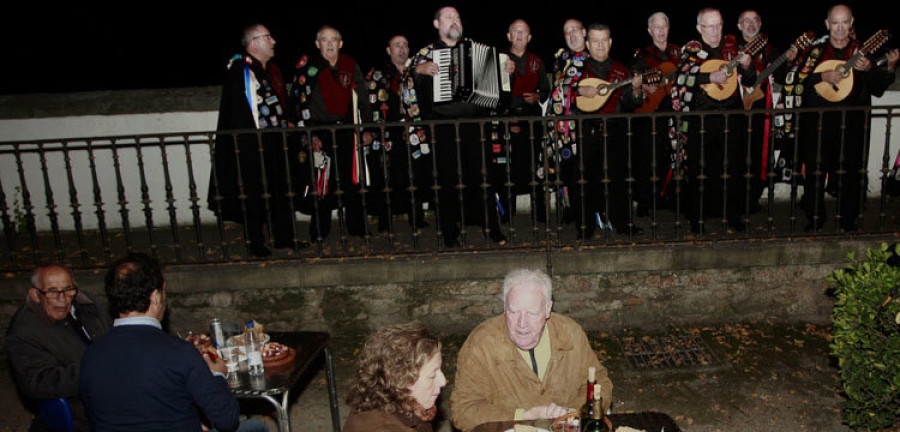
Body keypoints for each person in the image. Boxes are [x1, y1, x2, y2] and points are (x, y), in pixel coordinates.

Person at [78, 253, 267, 432]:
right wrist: (218, 376)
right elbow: (227, 420)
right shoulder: (178, 352)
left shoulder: (91, 355)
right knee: (258, 427)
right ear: (155, 296)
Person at [450, 269, 612, 431]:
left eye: (532, 313)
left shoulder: (570, 334)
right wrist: (523, 416)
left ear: (548, 309)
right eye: (513, 311)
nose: (522, 324)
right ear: (504, 307)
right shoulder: (481, 344)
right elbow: (463, 410)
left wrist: (572, 414)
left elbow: (600, 383)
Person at [792, 4, 898, 231]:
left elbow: (878, 89)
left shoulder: (862, 52)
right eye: (835, 23)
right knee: (815, 171)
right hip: (819, 124)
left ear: (851, 24)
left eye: (844, 22)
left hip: (852, 125)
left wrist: (873, 68)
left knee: (851, 173)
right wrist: (822, 75)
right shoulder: (816, 52)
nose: (840, 28)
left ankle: (848, 220)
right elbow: (798, 84)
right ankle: (815, 217)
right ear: (827, 24)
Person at [409, 6, 509, 247]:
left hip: (476, 126)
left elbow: (499, 92)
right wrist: (417, 71)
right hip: (442, 128)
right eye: (448, 17)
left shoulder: (477, 49)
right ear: (436, 24)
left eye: (457, 17)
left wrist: (506, 72)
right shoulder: (424, 54)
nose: (454, 21)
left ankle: (491, 227)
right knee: (446, 179)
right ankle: (449, 231)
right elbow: (405, 85)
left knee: (483, 177)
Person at [208, 23, 298, 257]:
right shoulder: (241, 70)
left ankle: (284, 238)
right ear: (255, 42)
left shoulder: (267, 70)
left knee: (280, 190)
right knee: (254, 193)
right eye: (268, 37)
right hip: (252, 146)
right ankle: (256, 242)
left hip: (274, 143)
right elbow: (239, 113)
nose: (273, 41)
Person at [672, 8, 756, 233]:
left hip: (732, 117)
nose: (716, 30)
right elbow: (680, 78)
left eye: (719, 25)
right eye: (710, 26)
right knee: (700, 170)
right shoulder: (692, 52)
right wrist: (709, 77)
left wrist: (747, 66)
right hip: (703, 119)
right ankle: (697, 219)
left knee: (734, 168)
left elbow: (750, 79)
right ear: (700, 28)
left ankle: (733, 216)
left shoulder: (733, 49)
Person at [291, 26, 374, 241]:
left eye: (333, 39)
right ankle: (319, 230)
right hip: (320, 132)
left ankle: (357, 227)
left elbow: (363, 98)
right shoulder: (308, 66)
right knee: (321, 183)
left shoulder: (349, 64)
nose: (329, 44)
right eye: (324, 40)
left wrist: (367, 129)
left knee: (353, 180)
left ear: (340, 43)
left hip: (347, 130)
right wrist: (310, 135)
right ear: (317, 44)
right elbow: (299, 103)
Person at [6, 264, 111, 432]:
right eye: (52, 292)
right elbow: (36, 383)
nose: (62, 299)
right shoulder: (23, 332)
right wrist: (94, 372)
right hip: (79, 411)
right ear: (35, 294)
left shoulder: (88, 304)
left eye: (68, 289)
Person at [365, 35, 431, 233]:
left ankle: (416, 217)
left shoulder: (417, 72)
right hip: (389, 134)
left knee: (416, 173)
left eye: (405, 45)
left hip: (414, 131)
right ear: (388, 50)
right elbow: (372, 104)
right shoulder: (379, 75)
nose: (402, 49)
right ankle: (385, 220)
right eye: (397, 45)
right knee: (388, 176)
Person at [343, 322, 447, 432]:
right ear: (402, 380)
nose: (443, 381)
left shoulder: (397, 405)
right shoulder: (385, 427)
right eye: (432, 375)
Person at [499, 19, 550, 225]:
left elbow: (546, 89)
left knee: (534, 165)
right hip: (508, 118)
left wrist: (537, 97)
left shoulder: (537, 61)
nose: (519, 35)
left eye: (524, 32)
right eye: (515, 32)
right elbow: (492, 94)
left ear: (529, 37)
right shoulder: (499, 60)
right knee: (507, 168)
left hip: (532, 119)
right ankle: (506, 215)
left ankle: (539, 215)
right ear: (509, 36)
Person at [630, 12, 681, 217]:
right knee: (648, 158)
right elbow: (633, 79)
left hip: (677, 112)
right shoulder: (642, 55)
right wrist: (643, 87)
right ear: (650, 31)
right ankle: (644, 200)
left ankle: (671, 198)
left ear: (669, 28)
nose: (661, 31)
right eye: (656, 27)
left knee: (676, 156)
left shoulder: (680, 53)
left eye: (664, 26)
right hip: (651, 115)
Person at [547, 19, 589, 227]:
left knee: (584, 172)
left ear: (584, 32)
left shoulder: (593, 57)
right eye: (566, 32)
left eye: (575, 30)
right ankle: (570, 209)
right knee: (564, 170)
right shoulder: (560, 58)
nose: (571, 34)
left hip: (582, 127)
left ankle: (588, 213)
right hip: (559, 127)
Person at [736, 10, 779, 214]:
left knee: (758, 154)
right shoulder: (729, 48)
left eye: (755, 20)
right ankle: (734, 199)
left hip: (761, 109)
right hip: (736, 110)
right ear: (739, 25)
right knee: (736, 155)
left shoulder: (770, 49)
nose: (751, 24)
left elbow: (784, 73)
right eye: (746, 21)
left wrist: (790, 58)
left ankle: (752, 198)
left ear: (760, 24)